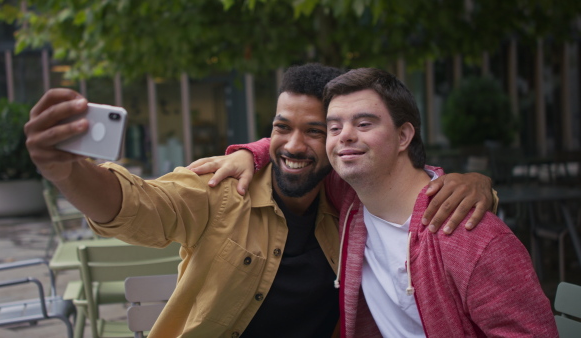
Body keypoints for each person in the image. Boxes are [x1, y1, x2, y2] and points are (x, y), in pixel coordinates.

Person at [26, 64, 492, 338]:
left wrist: (476, 182)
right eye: (281, 127)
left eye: (316, 131)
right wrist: (67, 171)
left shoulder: (350, 206)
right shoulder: (224, 188)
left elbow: (394, 174)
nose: (293, 144)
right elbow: (137, 207)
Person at [322, 68, 556, 337]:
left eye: (364, 124)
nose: (345, 136)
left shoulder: (475, 238)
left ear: (403, 136)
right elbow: (288, 151)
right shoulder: (347, 198)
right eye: (334, 128)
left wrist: (482, 183)